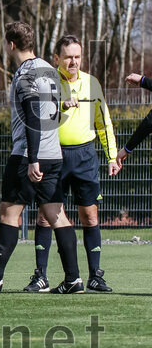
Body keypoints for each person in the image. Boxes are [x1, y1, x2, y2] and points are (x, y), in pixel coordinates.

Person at [0, 22, 82, 294]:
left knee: (8, 212)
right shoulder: (50, 70)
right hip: (54, 155)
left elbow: (35, 115)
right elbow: (51, 108)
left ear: (11, 44)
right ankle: (73, 279)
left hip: (29, 155)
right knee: (56, 215)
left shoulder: (24, 74)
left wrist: (33, 159)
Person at [26, 35, 120, 293]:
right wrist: (59, 107)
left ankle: (95, 276)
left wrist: (111, 156)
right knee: (46, 217)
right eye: (68, 57)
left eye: (77, 57)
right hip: (53, 155)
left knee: (89, 215)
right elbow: (36, 121)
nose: (73, 62)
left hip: (85, 157)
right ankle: (41, 276)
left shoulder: (92, 83)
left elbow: (103, 123)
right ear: (57, 58)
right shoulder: (48, 82)